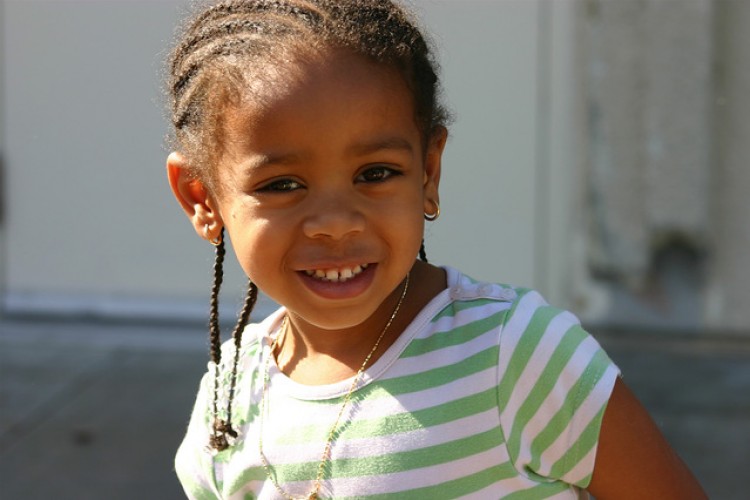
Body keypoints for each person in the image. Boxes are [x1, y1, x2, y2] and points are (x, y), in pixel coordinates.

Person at [165, 1, 706, 498]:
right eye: (282, 184)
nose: (334, 225)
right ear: (202, 198)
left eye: (375, 174)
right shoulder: (231, 394)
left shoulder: (514, 354)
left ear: (428, 171)